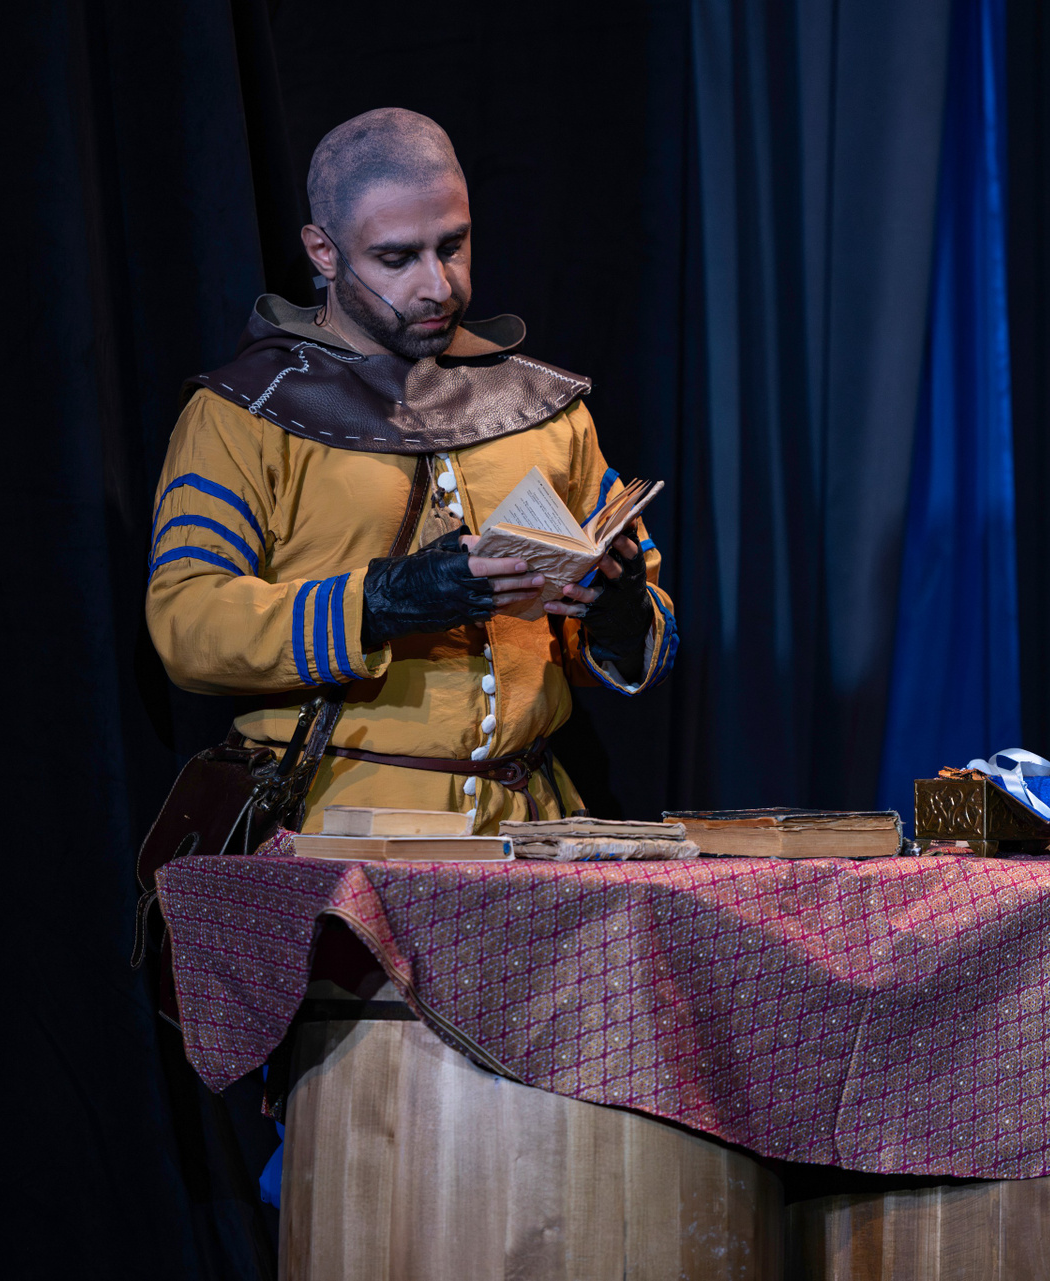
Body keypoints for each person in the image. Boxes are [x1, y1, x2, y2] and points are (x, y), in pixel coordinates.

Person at [145, 108, 675, 831]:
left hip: (534, 828)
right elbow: (186, 624)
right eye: (397, 258)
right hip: (336, 831)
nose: (439, 285)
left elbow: (634, 638)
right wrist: (381, 603)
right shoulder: (244, 414)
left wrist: (619, 615)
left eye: (452, 246)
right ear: (323, 252)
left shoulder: (542, 408)